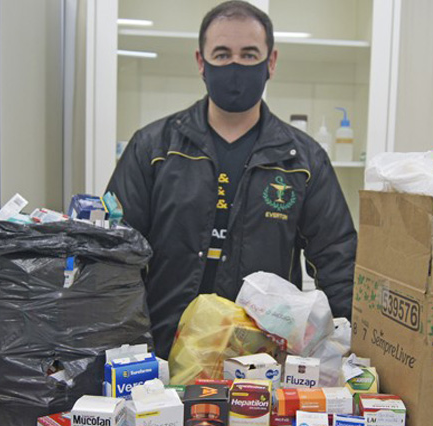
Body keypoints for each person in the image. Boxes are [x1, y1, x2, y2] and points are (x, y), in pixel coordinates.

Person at [107, 0, 357, 358]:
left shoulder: (302, 161)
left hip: (261, 360)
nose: (235, 66)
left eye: (249, 54)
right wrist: (121, 349)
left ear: (271, 62)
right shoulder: (154, 148)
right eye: (222, 55)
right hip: (160, 357)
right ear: (200, 62)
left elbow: (338, 261)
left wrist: (352, 351)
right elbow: (114, 256)